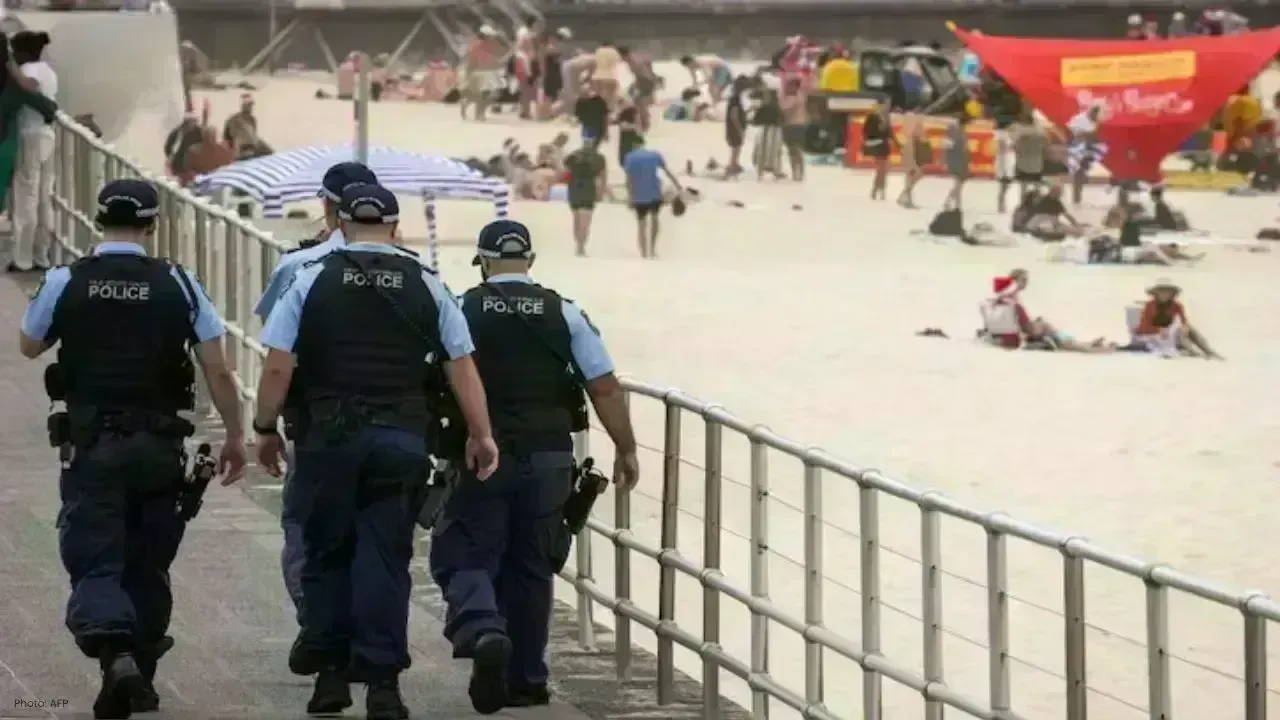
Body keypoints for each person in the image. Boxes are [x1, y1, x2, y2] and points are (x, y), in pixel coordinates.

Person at [254, 183, 498, 719]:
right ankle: (384, 685)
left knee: (326, 554)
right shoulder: (427, 283)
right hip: (402, 440)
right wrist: (480, 435)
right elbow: (461, 367)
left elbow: (278, 364)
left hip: (327, 442)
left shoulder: (310, 277)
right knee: (386, 561)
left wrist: (264, 426)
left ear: (340, 221)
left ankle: (330, 679)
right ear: (393, 224)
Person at [18, 179, 247, 719]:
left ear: (99, 221)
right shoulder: (179, 282)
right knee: (148, 560)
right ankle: (133, 674)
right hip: (161, 447)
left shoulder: (66, 279)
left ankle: (116, 653)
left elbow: (30, 345)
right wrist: (236, 435)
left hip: (92, 444)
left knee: (97, 555)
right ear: (152, 225)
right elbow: (217, 366)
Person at [432, 219, 640, 714]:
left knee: (464, 552)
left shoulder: (460, 309)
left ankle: (483, 629)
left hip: (480, 453)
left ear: (482, 261)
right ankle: (525, 680)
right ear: (530, 261)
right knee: (533, 566)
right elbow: (604, 385)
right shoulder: (564, 311)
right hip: (550, 456)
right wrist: (626, 447)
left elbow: (438, 375)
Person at [251, 162, 377, 709]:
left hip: (316, 427)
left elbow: (276, 350)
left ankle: (320, 630)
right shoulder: (414, 272)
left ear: (327, 205)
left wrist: (264, 425)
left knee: (306, 529)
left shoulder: (300, 264)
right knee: (376, 536)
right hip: (393, 426)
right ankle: (364, 642)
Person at [10, 30, 57, 274]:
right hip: (48, 135)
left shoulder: (26, 73)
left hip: (29, 134)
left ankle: (22, 258)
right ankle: (42, 254)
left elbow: (25, 96)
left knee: (26, 195)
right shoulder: (49, 72)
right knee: (44, 196)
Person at [623, 136, 683, 258]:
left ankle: (644, 253)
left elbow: (628, 179)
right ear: (643, 144)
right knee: (655, 219)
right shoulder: (655, 155)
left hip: (638, 195)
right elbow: (667, 171)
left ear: (633, 145)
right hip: (654, 193)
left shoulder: (629, 157)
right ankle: (653, 249)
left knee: (641, 224)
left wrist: (630, 196)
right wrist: (678, 186)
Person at [1135, 279, 1222, 358]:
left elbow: (1183, 320)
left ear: (1172, 293)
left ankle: (1207, 350)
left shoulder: (1176, 305)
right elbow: (1143, 327)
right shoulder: (1150, 306)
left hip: (1169, 334)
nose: (1164, 294)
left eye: (1167, 291)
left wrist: (1184, 326)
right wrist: (1157, 330)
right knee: (1179, 330)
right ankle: (1192, 351)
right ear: (1156, 293)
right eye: (1161, 291)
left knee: (1188, 328)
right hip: (1151, 335)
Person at [564, 140, 608, 256]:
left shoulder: (573, 156)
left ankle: (578, 243)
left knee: (576, 218)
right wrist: (601, 192)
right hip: (588, 188)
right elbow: (603, 176)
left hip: (574, 188)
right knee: (586, 220)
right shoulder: (599, 158)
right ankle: (581, 246)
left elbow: (565, 172)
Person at [863, 101, 893, 200]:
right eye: (885, 105)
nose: (886, 108)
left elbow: (890, 133)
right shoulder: (872, 116)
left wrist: (899, 144)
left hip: (884, 146)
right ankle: (877, 190)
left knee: (883, 170)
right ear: (880, 105)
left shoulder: (887, 118)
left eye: (888, 106)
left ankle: (880, 190)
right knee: (881, 168)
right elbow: (866, 131)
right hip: (876, 145)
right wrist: (879, 130)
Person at [780, 77, 807, 182]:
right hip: (789, 126)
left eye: (792, 86)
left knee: (797, 149)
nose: (789, 88)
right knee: (791, 151)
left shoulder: (797, 97)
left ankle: (799, 173)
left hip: (796, 125)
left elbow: (786, 111)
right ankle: (795, 172)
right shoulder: (790, 97)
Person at [942, 113, 970, 210]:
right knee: (958, 183)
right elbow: (947, 145)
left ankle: (953, 202)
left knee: (959, 183)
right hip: (955, 159)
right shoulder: (953, 130)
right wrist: (945, 160)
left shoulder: (961, 130)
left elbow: (965, 147)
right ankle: (954, 203)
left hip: (961, 159)